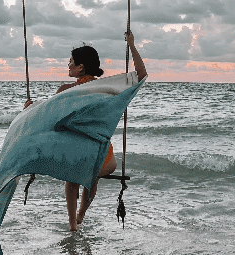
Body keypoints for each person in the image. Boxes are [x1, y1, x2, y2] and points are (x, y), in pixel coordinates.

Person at [24, 30, 149, 231]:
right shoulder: (106, 88)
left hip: (77, 154)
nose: (68, 65)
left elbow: (48, 116)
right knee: (90, 175)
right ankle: (81, 214)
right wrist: (132, 45)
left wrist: (30, 110)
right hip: (103, 157)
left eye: (71, 61)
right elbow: (142, 75)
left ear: (81, 67)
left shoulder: (65, 90)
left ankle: (73, 224)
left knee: (74, 177)